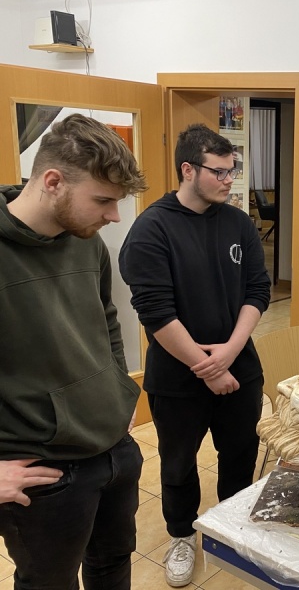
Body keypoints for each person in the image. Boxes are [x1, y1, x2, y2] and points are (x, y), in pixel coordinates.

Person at [119, 124, 270, 587]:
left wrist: (230, 352)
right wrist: (207, 368)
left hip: (238, 367)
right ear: (188, 170)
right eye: (219, 171)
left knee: (240, 455)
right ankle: (182, 536)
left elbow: (257, 291)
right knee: (178, 463)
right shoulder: (151, 229)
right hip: (178, 378)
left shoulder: (238, 223)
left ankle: (232, 530)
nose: (229, 180)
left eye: (232, 170)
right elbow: (156, 312)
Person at [0, 113, 147, 589]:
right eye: (103, 200)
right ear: (53, 182)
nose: (114, 216)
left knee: (112, 563)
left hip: (115, 448)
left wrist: (120, 389)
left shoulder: (87, 244)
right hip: (42, 470)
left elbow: (106, 319)